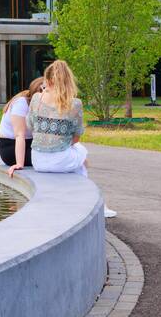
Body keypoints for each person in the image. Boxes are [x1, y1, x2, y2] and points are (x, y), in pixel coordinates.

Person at [24, 59, 116, 218]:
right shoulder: (75, 104)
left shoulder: (36, 99)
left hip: (38, 160)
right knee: (81, 156)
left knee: (78, 160)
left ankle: (93, 203)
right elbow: (76, 137)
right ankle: (98, 206)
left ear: (47, 79)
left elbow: (30, 125)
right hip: (60, 159)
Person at [0, 77, 43, 173]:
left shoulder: (40, 105)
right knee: (48, 158)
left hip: (30, 144)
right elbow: (20, 135)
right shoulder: (21, 103)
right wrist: (19, 163)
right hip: (11, 148)